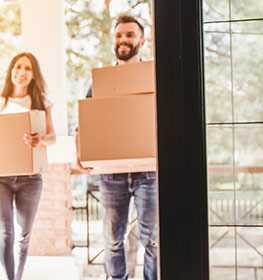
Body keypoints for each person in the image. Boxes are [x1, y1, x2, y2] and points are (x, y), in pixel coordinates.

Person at [80, 14, 160, 280]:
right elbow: (86, 124)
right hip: (111, 174)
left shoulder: (155, 78)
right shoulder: (100, 82)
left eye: (130, 35)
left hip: (149, 172)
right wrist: (82, 153)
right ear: (112, 41)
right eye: (118, 35)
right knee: (113, 240)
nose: (123, 40)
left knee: (153, 240)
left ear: (142, 41)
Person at [0, 52, 57, 280]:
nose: (21, 72)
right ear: (11, 70)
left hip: (30, 179)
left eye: (27, 69)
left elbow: (52, 136)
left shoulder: (41, 101)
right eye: (18, 67)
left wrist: (40, 139)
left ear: (34, 75)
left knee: (23, 235)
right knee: (5, 233)